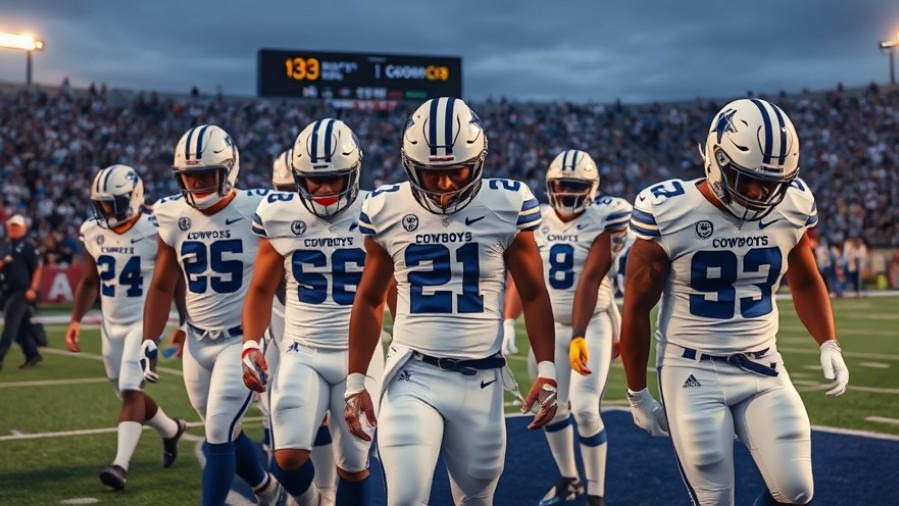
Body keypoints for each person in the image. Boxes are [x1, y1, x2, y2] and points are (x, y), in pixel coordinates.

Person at [620, 98, 850, 506]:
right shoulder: (668, 210)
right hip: (692, 369)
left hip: (763, 364)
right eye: (748, 180)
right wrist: (636, 392)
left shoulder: (792, 203)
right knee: (715, 499)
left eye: (774, 183)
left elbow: (806, 279)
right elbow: (637, 307)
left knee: (796, 489)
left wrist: (828, 342)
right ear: (715, 159)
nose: (763, 193)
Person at [344, 97, 559, 505]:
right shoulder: (386, 208)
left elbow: (532, 293)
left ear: (478, 161)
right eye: (430, 173)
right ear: (410, 165)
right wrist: (356, 382)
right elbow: (370, 298)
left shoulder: (507, 205)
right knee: (405, 497)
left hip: (482, 380)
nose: (443, 185)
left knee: (476, 499)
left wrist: (546, 369)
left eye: (455, 171)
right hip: (413, 373)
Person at [140, 124, 282, 506]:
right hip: (196, 339)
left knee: (218, 431)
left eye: (206, 173)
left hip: (242, 339)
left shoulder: (260, 207)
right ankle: (267, 488)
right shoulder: (170, 213)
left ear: (229, 170)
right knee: (226, 431)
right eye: (189, 174)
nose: (197, 182)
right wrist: (149, 338)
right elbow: (161, 285)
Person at [243, 127, 384, 505]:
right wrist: (251, 344)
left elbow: (395, 289)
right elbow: (258, 289)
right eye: (312, 181)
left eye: (331, 179)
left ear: (353, 172)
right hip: (301, 348)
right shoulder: (279, 215)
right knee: (287, 458)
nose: (322, 190)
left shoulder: (377, 211)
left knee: (354, 464)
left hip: (361, 355)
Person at [65, 165, 187, 490]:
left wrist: (184, 322)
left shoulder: (156, 227)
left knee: (132, 390)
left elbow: (173, 283)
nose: (107, 210)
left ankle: (120, 465)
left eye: (113, 203)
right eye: (102, 203)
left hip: (143, 323)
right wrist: (76, 319)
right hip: (111, 324)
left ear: (133, 198)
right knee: (128, 395)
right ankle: (172, 430)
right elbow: (90, 280)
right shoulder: (92, 229)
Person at [530, 150, 631, 506]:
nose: (568, 193)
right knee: (550, 406)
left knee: (586, 409)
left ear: (592, 188)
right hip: (547, 328)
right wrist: (507, 321)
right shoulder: (535, 219)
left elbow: (590, 280)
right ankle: (570, 480)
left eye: (577, 186)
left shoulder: (605, 218)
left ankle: (597, 496)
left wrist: (580, 334)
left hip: (591, 326)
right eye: (562, 185)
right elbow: (525, 282)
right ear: (549, 186)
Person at [0, 214, 43, 370]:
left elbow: (37, 268)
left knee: (11, 323)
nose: (13, 229)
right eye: (11, 226)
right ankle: (32, 354)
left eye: (16, 226)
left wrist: (33, 288)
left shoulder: (28, 246)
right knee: (20, 327)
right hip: (7, 290)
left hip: (22, 291)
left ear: (24, 228)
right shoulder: (5, 245)